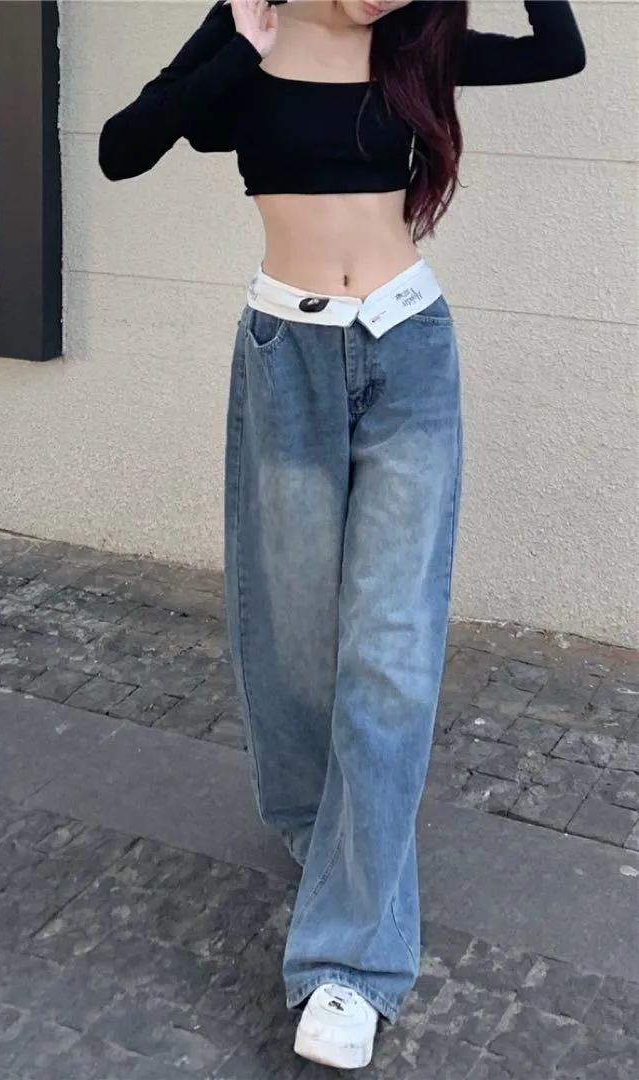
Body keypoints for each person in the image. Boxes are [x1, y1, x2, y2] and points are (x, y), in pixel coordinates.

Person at [98, 0, 585, 1069]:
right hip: (288, 362)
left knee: (391, 654)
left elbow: (561, 53)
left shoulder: (415, 44)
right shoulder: (248, 30)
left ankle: (349, 965)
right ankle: (323, 827)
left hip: (409, 350)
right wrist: (239, 52)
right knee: (293, 642)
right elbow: (121, 150)